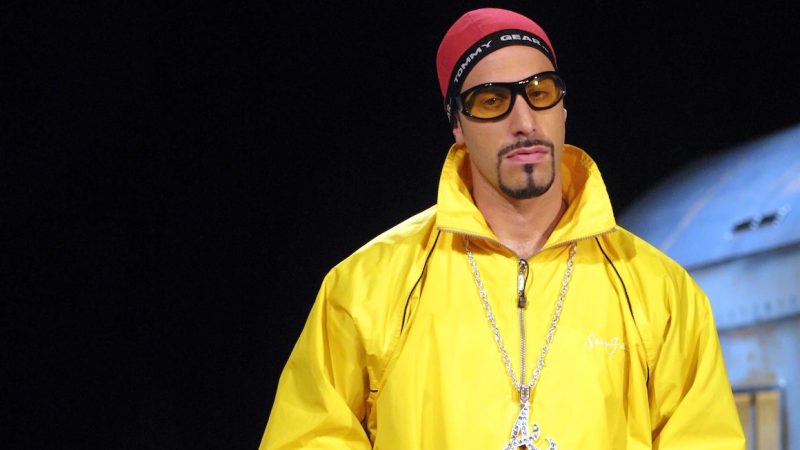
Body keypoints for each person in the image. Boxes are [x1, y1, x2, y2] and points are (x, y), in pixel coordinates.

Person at [260, 7, 745, 449]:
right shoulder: (366, 288)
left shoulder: (661, 292)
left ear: (562, 109)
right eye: (492, 101)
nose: (524, 121)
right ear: (457, 125)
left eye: (540, 93)